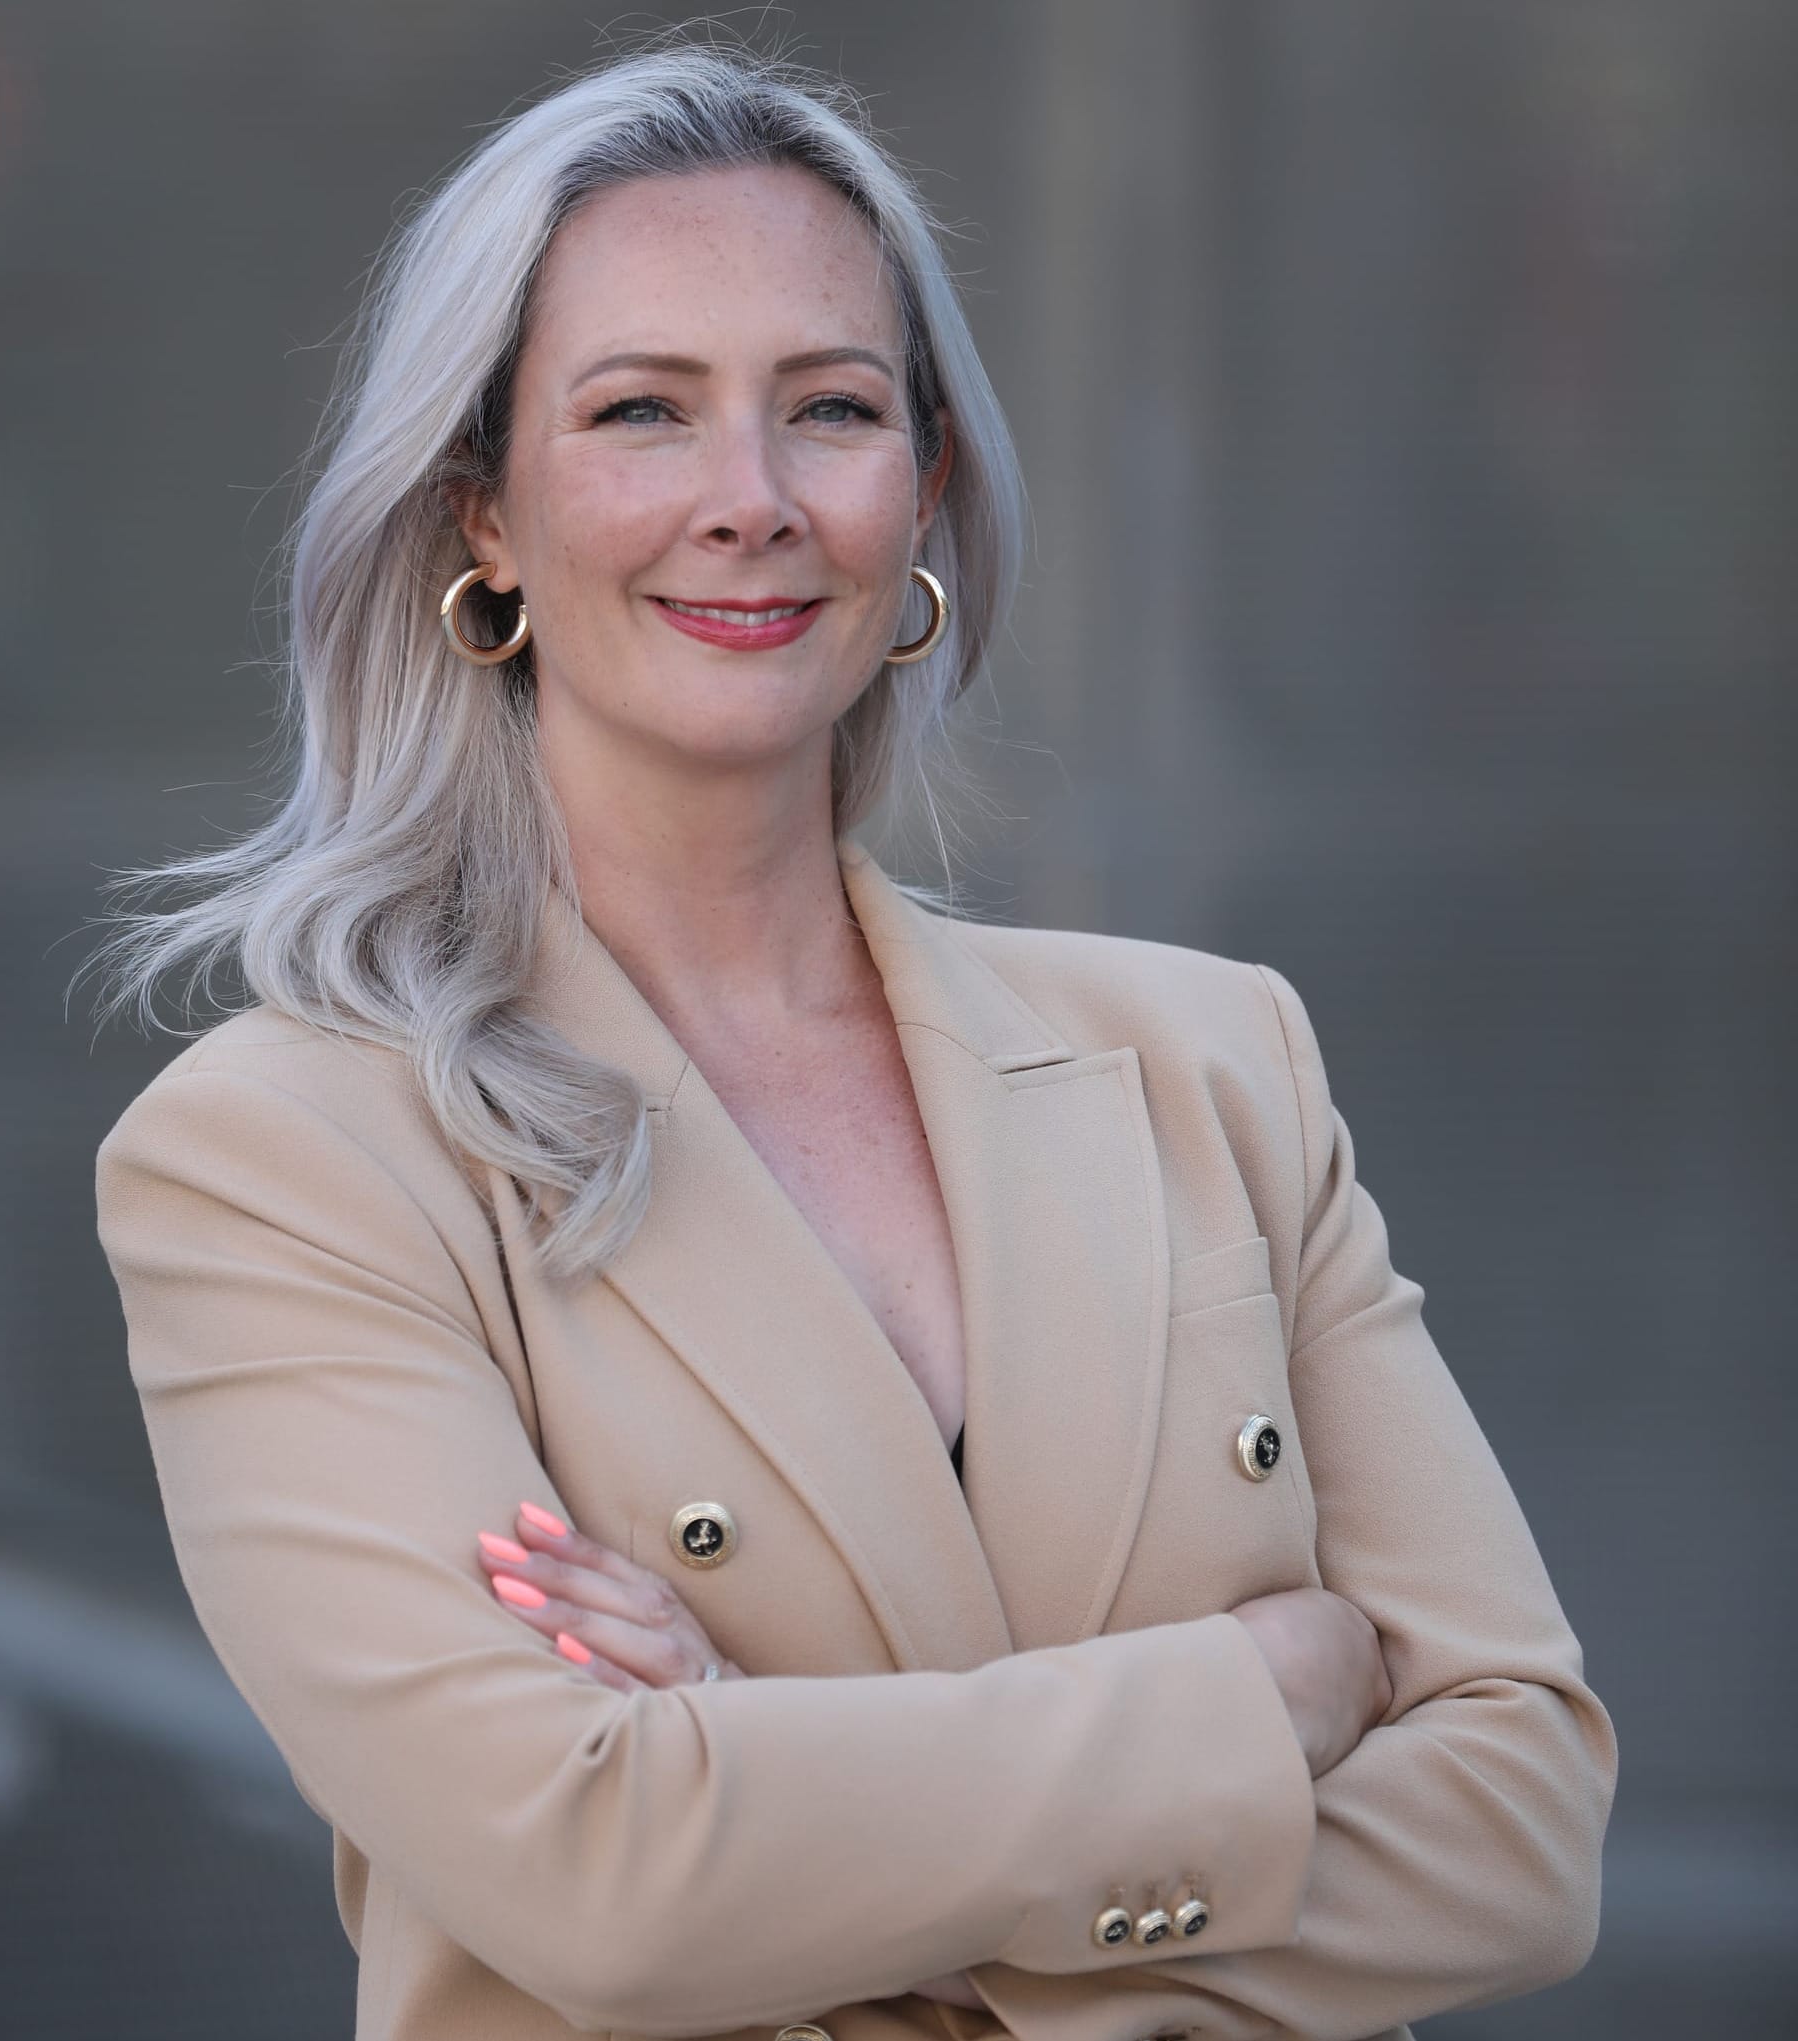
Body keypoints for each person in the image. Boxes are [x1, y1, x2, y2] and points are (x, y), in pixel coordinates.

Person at [85, 40, 1615, 2041]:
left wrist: (768, 1771)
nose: (751, 500)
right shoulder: (289, 1156)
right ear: (481, 517)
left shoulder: (1214, 1059)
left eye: (830, 409)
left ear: (924, 494)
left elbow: (1522, 1824)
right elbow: (604, 1877)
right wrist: (1256, 1700)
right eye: (641, 411)